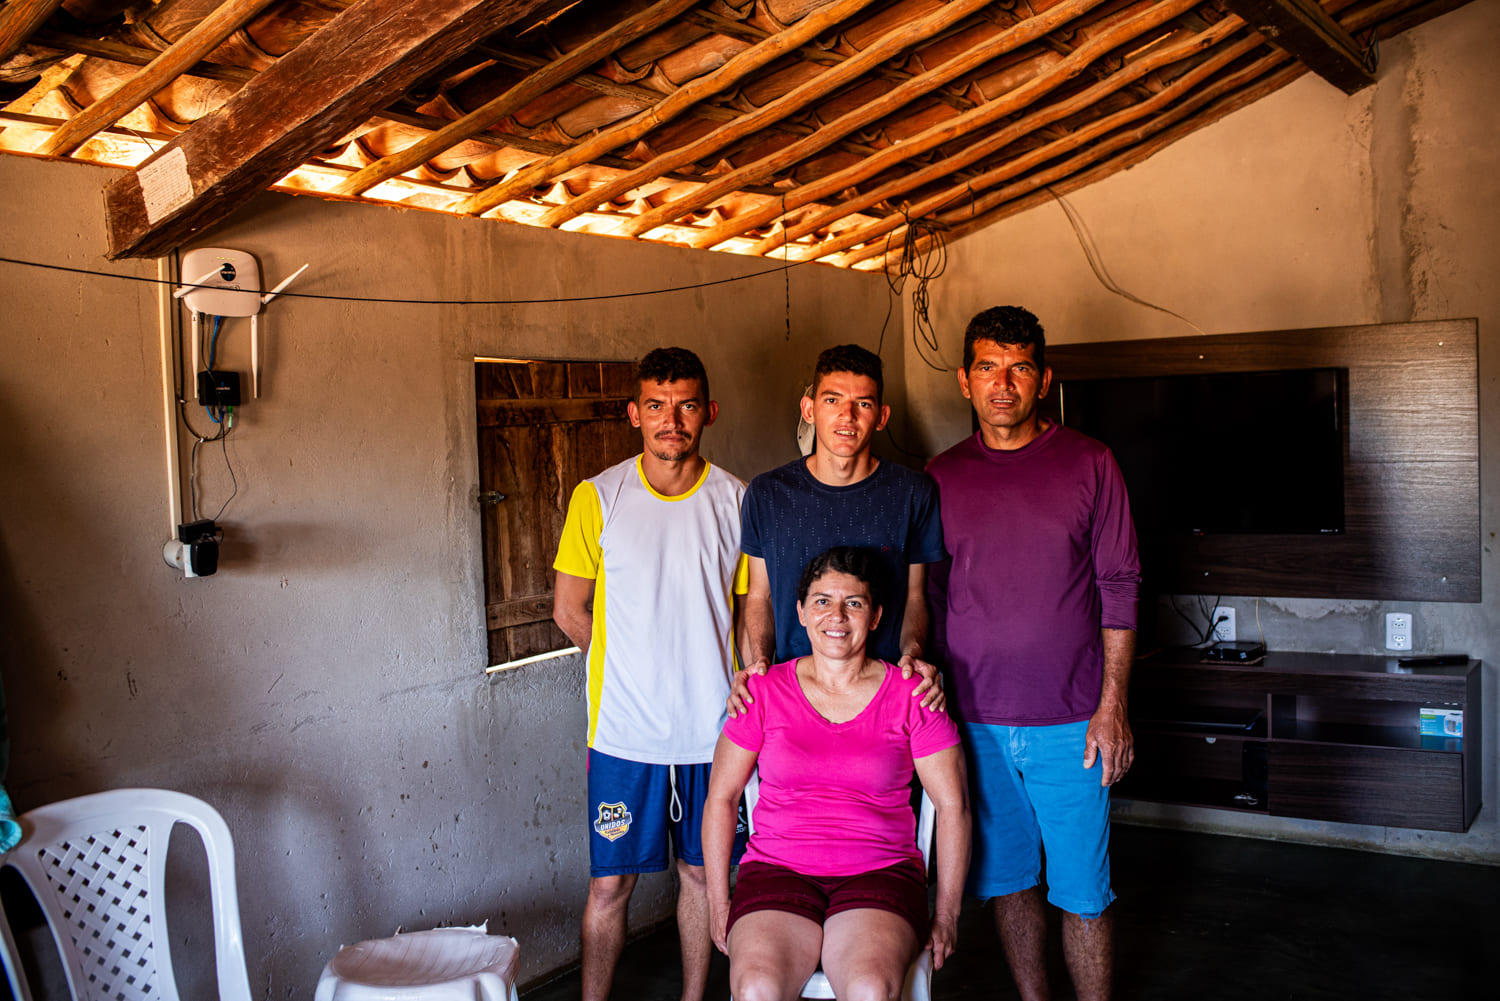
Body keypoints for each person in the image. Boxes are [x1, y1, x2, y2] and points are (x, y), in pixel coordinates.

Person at [925, 306, 1141, 1001]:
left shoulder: (1090, 462)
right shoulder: (939, 476)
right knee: (1009, 881)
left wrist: (1113, 707)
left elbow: (1120, 586)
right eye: (988, 366)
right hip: (974, 722)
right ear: (965, 379)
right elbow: (924, 597)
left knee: (1084, 892)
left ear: (1043, 379)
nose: (1003, 383)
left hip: (1073, 724)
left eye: (1019, 367)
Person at [552, 347, 747, 1001]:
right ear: (635, 413)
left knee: (702, 874)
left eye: (687, 404)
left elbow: (749, 621)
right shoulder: (598, 496)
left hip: (712, 736)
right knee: (610, 885)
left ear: (709, 412)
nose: (673, 419)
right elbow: (569, 609)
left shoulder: (737, 500)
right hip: (623, 736)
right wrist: (635, 667)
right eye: (658, 406)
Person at [702, 546, 970, 1001]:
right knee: (755, 989)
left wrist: (946, 913)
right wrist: (716, 902)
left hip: (880, 871)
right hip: (777, 870)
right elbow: (722, 798)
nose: (837, 616)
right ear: (802, 612)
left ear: (876, 616)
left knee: (869, 989)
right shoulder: (763, 691)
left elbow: (953, 806)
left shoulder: (913, 694)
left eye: (855, 603)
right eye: (823, 601)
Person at [734, 344, 946, 711]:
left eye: (863, 404)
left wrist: (912, 656)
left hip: (885, 695)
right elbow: (759, 596)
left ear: (881, 416)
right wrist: (759, 664)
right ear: (809, 409)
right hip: (789, 695)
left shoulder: (913, 492)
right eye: (832, 400)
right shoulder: (767, 493)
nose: (847, 416)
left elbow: (915, 596)